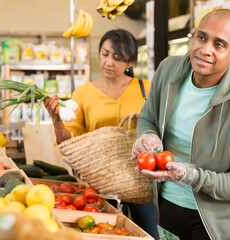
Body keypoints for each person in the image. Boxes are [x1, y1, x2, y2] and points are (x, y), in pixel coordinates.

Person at [132, 9, 230, 240]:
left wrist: (191, 176)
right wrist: (147, 135)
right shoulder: (168, 70)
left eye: (219, 45)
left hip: (218, 223)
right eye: (202, 37)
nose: (205, 49)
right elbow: (148, 118)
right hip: (167, 207)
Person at [44, 29, 159, 239]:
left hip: (143, 178)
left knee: (152, 235)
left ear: (131, 62)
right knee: (107, 235)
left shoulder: (147, 89)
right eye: (105, 54)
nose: (108, 62)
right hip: (102, 182)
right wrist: (56, 120)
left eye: (117, 58)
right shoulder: (83, 93)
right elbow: (70, 142)